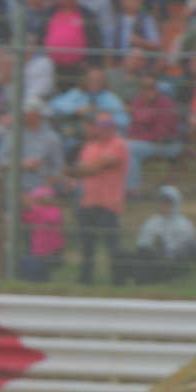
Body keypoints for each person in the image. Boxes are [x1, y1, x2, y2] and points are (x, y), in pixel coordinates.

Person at [70, 111, 128, 284]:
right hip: (88, 202)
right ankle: (85, 281)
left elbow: (91, 168)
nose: (105, 129)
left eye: (109, 126)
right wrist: (87, 168)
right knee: (87, 246)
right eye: (102, 126)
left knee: (113, 246)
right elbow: (84, 169)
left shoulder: (118, 144)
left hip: (109, 203)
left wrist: (85, 168)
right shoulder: (90, 146)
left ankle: (118, 282)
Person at [119, 185, 196, 284]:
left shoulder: (184, 224)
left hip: (172, 263)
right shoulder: (152, 221)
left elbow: (184, 250)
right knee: (122, 254)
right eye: (162, 202)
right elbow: (142, 244)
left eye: (168, 203)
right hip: (150, 260)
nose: (164, 206)